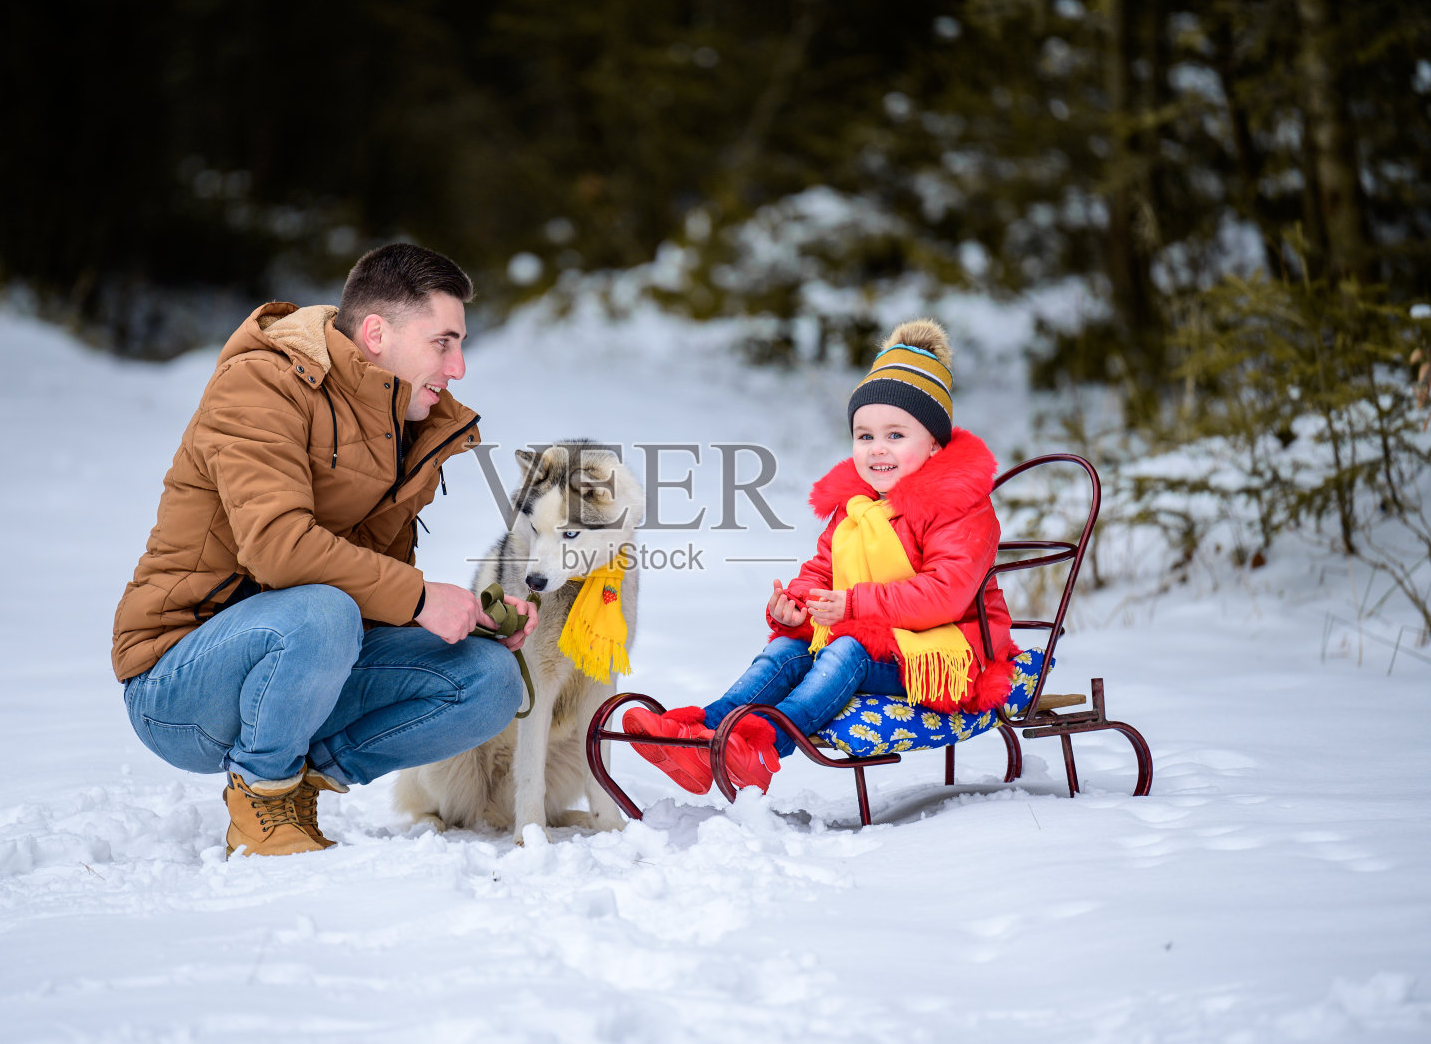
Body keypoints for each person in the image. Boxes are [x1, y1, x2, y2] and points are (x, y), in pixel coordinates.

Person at [112, 243, 537, 857]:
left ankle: (297, 787)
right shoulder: (262, 381)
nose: (459, 367)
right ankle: (261, 796)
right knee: (322, 609)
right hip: (178, 680)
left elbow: (373, 591)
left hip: (310, 656)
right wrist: (419, 598)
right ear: (374, 334)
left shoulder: (404, 425)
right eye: (443, 342)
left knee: (488, 681)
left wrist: (467, 619)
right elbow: (278, 550)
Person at [624, 319, 1016, 793]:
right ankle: (698, 734)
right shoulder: (858, 507)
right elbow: (823, 572)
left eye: (896, 435)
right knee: (786, 649)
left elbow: (947, 594)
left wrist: (852, 606)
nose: (877, 450)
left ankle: (760, 746)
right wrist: (795, 605)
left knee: (844, 650)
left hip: (949, 653)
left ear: (934, 443)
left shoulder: (960, 506)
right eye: (864, 435)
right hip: (878, 639)